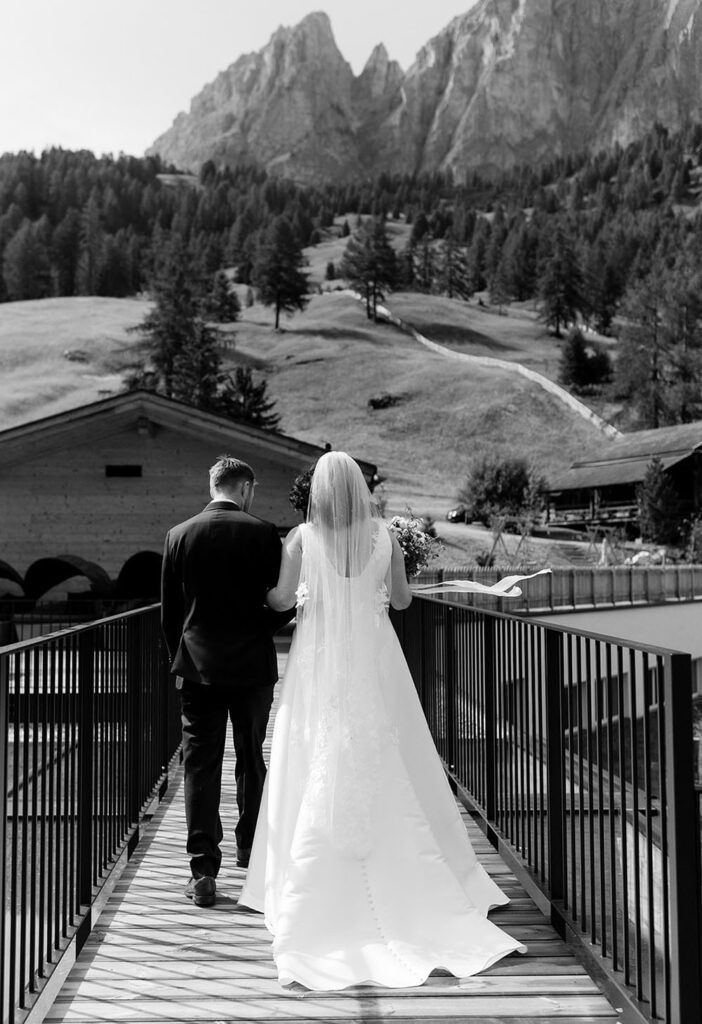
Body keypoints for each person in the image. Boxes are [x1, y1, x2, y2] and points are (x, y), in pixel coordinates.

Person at [239, 451, 526, 989]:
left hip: (319, 657)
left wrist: (266, 592)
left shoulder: (302, 538)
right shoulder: (384, 537)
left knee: (309, 746)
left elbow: (280, 597)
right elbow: (400, 602)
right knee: (391, 746)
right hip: (374, 657)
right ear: (360, 490)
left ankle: (296, 879)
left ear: (320, 492)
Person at [161, 455, 292, 908]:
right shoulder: (263, 533)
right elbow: (283, 604)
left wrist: (178, 660)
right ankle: (251, 849)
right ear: (247, 488)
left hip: (198, 668)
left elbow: (170, 613)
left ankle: (202, 871)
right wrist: (259, 632)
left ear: (213, 485)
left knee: (200, 765)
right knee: (251, 757)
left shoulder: (179, 535)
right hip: (253, 666)